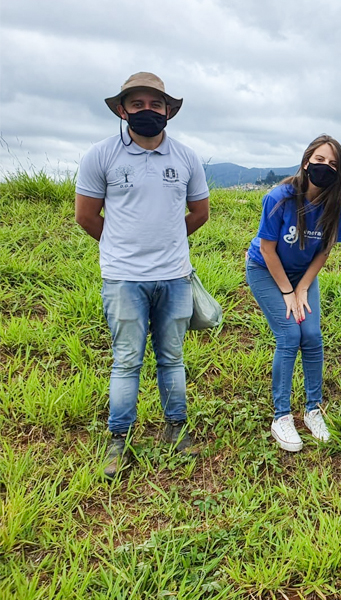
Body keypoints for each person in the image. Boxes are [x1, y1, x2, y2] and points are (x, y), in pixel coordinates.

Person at [74, 73, 210, 478]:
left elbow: (199, 213)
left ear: (168, 111)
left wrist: (166, 242)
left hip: (174, 277)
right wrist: (121, 246)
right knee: (126, 361)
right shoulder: (100, 156)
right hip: (122, 278)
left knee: (172, 358)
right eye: (137, 105)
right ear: (122, 110)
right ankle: (119, 440)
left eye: (155, 105)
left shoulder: (186, 158)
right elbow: (85, 215)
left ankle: (176, 428)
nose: (147, 111)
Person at [245, 135, 341, 451]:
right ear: (307, 161)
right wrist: (287, 291)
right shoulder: (280, 197)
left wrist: (303, 287)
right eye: (320, 160)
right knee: (290, 335)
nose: (325, 167)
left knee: (312, 336)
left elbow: (325, 249)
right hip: (266, 270)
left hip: (303, 275)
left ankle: (312, 409)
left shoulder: (340, 200)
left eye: (333, 164)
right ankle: (281, 416)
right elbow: (267, 249)